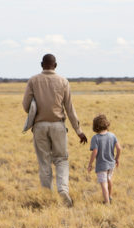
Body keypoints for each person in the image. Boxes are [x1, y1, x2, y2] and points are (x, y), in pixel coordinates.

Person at [22, 53, 87, 206]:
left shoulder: (33, 80)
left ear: (41, 64)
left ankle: (46, 196)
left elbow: (26, 106)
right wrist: (78, 130)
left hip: (39, 126)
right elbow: (70, 109)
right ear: (55, 65)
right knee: (61, 160)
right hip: (58, 126)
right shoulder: (63, 81)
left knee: (44, 162)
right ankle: (63, 190)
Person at [87, 114, 121, 204]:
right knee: (109, 180)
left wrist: (90, 164)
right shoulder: (112, 135)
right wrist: (117, 159)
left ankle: (107, 203)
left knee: (104, 184)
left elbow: (95, 152)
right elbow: (119, 148)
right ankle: (110, 197)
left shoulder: (96, 138)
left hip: (102, 165)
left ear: (95, 126)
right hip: (111, 164)